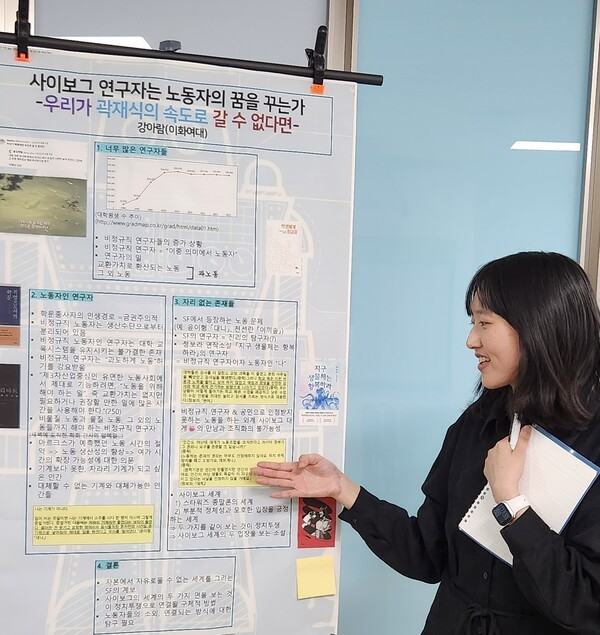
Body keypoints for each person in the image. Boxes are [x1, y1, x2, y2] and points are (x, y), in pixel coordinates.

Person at [251, 251, 600, 635]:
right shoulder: (476, 424)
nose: (471, 340)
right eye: (472, 323)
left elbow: (585, 604)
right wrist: (342, 489)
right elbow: (428, 555)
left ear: (539, 324)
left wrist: (511, 504)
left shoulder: (593, 441)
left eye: (484, 323)